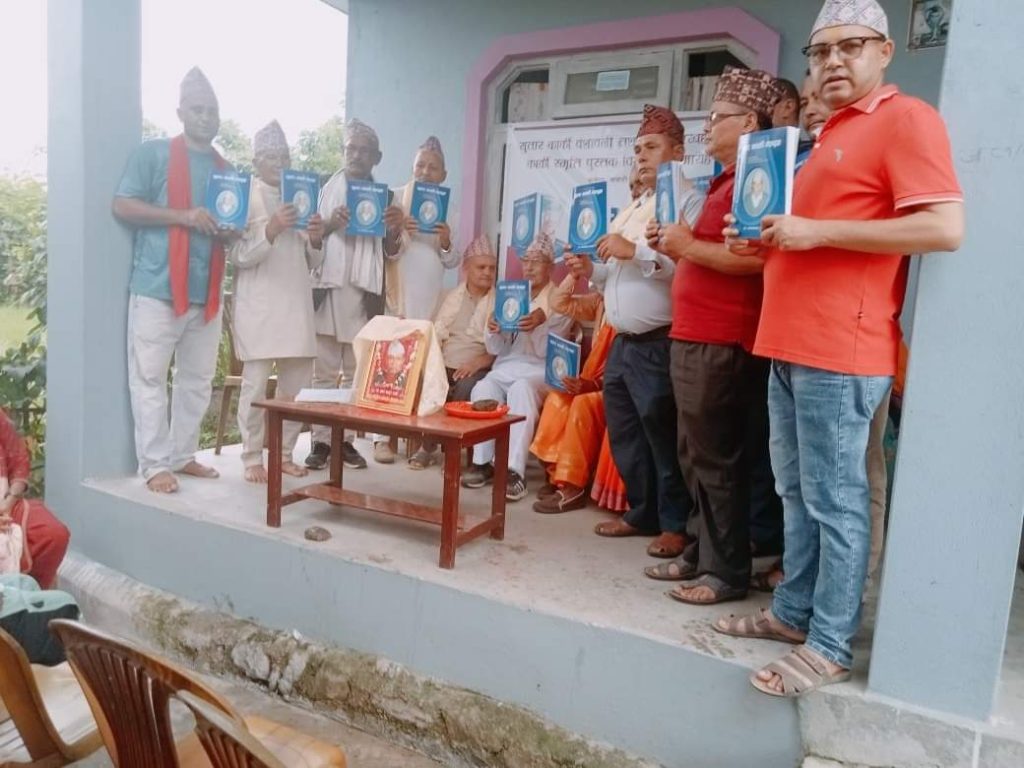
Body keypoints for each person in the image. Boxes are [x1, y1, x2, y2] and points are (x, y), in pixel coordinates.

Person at [716, 0, 964, 696]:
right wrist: (765, 242)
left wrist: (816, 232)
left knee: (836, 500)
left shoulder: (905, 119)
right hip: (788, 344)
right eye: (821, 51)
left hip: (843, 349)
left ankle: (828, 645)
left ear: (884, 51)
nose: (832, 62)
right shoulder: (825, 134)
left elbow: (943, 228)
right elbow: (809, 238)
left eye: (850, 47)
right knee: (795, 494)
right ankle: (793, 613)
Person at [642, 67, 781, 602]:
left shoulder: (757, 176)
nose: (707, 125)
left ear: (749, 123)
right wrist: (674, 244)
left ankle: (725, 573)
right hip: (694, 335)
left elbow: (757, 261)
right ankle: (700, 553)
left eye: (718, 116)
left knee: (718, 461)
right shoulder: (723, 179)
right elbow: (706, 254)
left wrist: (687, 247)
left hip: (722, 339)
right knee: (694, 457)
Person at [569, 104, 702, 560]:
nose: (641, 156)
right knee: (627, 436)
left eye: (651, 147)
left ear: (678, 152)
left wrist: (635, 251)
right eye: (637, 149)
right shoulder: (635, 206)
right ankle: (642, 512)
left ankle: (674, 526)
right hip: (622, 343)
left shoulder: (689, 201)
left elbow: (688, 267)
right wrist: (591, 269)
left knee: (663, 438)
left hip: (659, 341)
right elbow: (614, 273)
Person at [113, 67, 240, 494]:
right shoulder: (153, 155)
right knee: (150, 378)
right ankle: (154, 465)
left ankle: (183, 455)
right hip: (157, 288)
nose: (206, 117)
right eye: (197, 109)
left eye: (212, 110)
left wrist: (231, 231)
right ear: (181, 112)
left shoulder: (226, 169)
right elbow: (123, 205)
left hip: (206, 292)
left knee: (197, 380)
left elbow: (230, 224)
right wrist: (182, 216)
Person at [229, 120, 324, 483]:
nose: (279, 161)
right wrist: (271, 229)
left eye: (284, 155)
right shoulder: (246, 195)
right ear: (256, 161)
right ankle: (252, 456)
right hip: (259, 307)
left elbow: (314, 262)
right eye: (270, 156)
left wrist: (316, 238)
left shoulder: (301, 195)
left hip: (296, 303)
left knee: (295, 386)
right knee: (255, 385)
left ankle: (283, 454)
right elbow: (237, 256)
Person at [306, 119, 404, 470]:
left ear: (377, 158)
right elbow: (309, 241)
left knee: (354, 374)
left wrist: (394, 229)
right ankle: (320, 442)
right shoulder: (321, 189)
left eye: (365, 151)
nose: (357, 155)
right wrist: (331, 224)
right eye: (351, 148)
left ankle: (345, 442)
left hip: (364, 295)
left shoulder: (387, 198)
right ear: (343, 150)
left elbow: (391, 253)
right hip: (326, 290)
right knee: (323, 373)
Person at [461, 234, 573, 501]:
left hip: (540, 370)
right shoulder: (511, 295)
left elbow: (549, 352)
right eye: (526, 261)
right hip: (506, 366)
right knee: (483, 388)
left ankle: (514, 471)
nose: (529, 267)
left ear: (550, 267)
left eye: (537, 261)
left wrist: (540, 324)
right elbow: (495, 349)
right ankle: (482, 463)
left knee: (521, 389)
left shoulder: (559, 300)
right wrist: (493, 328)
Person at [528, 271, 615, 514]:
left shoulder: (633, 315)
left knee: (582, 404)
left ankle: (573, 487)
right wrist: (575, 273)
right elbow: (558, 302)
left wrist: (593, 385)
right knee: (557, 398)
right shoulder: (599, 303)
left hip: (615, 387)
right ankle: (556, 474)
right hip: (588, 381)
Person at [408, 236, 497, 470]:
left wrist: (479, 362)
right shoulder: (449, 296)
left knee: (465, 387)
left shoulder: (501, 303)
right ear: (466, 268)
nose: (487, 273)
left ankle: (449, 450)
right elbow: (433, 332)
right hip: (444, 362)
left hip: (479, 366)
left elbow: (505, 348)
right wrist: (432, 363)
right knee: (429, 379)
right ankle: (428, 446)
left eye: (492, 268)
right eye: (481, 267)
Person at [387, 136, 460, 320]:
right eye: (420, 165)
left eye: (433, 168)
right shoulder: (394, 199)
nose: (425, 172)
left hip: (428, 289)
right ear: (412, 169)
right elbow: (381, 250)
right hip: (396, 289)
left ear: (443, 175)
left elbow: (453, 262)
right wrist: (398, 230)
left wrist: (445, 243)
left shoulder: (451, 211)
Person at [0, 409, 70, 589]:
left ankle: (32, 595)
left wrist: (8, 502)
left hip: (7, 504)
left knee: (53, 534)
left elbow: (19, 463)